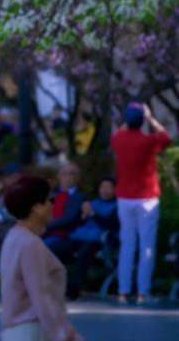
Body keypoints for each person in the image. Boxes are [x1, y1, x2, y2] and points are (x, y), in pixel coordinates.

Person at [0, 174, 96, 341]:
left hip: (22, 335)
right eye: (48, 200)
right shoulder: (30, 245)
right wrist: (73, 340)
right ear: (36, 207)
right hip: (35, 337)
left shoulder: (15, 238)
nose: (53, 204)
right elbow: (44, 301)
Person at [111, 101, 171, 302]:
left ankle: (122, 291)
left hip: (124, 198)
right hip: (146, 197)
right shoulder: (148, 142)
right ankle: (142, 292)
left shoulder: (118, 139)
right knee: (146, 245)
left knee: (127, 244)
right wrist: (150, 117)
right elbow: (166, 137)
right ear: (142, 121)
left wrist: (130, 119)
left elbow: (119, 132)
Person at [60, 177, 119, 300]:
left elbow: (110, 225)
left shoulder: (117, 206)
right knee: (55, 249)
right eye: (102, 187)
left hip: (99, 241)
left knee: (83, 254)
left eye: (108, 187)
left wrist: (93, 214)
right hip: (80, 237)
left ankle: (73, 290)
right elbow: (79, 222)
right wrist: (83, 215)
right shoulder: (93, 203)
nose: (105, 190)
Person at [43, 163, 85, 255]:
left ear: (77, 178)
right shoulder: (52, 194)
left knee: (37, 248)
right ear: (59, 176)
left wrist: (44, 226)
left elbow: (67, 219)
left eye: (71, 174)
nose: (66, 177)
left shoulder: (77, 197)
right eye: (63, 173)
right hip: (43, 231)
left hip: (63, 235)